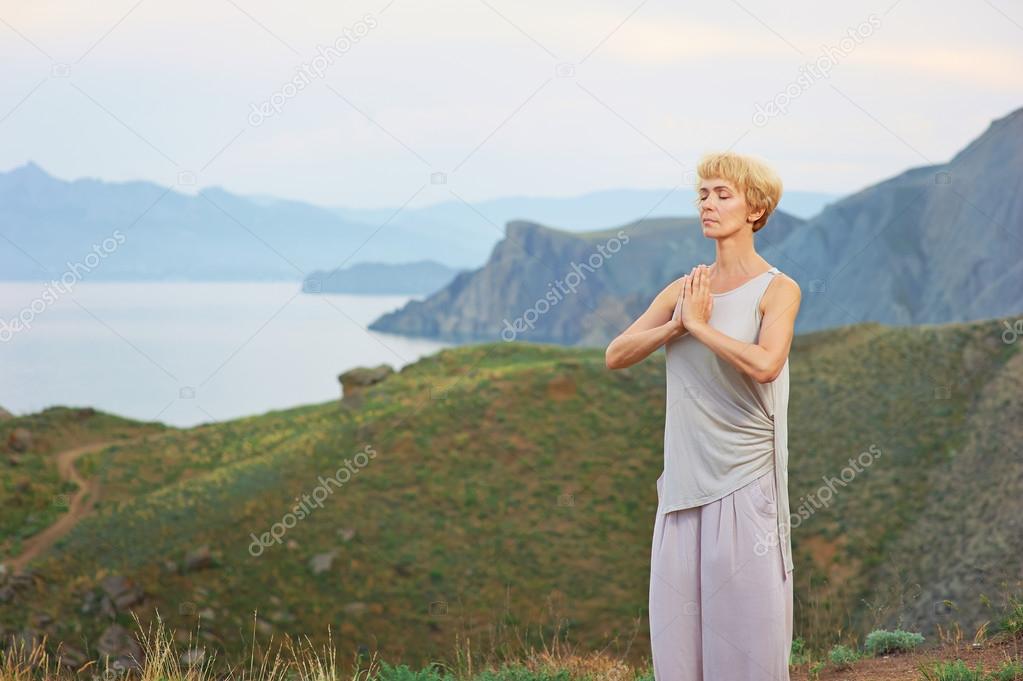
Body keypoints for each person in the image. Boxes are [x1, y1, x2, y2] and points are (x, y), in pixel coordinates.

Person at [605, 151, 801, 680]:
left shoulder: (778, 290)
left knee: (748, 643)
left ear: (756, 209)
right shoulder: (683, 289)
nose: (708, 204)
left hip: (743, 483)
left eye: (723, 194)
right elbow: (616, 354)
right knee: (681, 647)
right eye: (703, 194)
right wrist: (675, 326)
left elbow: (765, 365)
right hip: (683, 485)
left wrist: (700, 327)